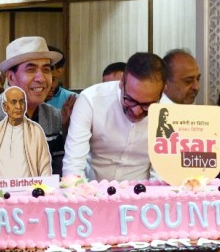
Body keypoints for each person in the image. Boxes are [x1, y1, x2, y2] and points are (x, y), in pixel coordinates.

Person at [0, 37, 64, 178]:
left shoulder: (53, 115)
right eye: (31, 69)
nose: (41, 78)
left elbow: (59, 172)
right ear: (11, 77)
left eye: (46, 69)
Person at [63, 51, 168, 181]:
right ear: (121, 82)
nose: (136, 111)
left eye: (147, 105)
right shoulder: (90, 100)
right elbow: (73, 166)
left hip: (144, 191)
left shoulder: (169, 112)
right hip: (92, 189)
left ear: (162, 92)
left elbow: (161, 175)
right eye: (130, 100)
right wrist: (78, 190)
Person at [0, 86, 51, 178]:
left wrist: (43, 186)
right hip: (0, 187)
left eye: (21, 102)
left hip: (30, 186)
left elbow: (45, 166)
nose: (18, 107)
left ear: (25, 105)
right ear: (5, 107)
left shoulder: (35, 130)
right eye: (13, 102)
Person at [44, 44, 77, 111]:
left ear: (59, 71)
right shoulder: (25, 100)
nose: (48, 86)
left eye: (52, 79)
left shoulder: (73, 99)